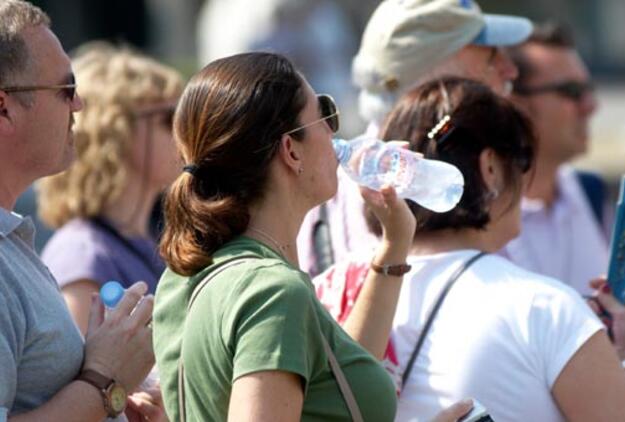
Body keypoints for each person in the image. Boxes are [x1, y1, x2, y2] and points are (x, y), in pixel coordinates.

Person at [152, 52, 472, 421]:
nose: (335, 131)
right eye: (324, 113)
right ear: (291, 149)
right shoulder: (272, 291)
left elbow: (335, 382)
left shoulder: (186, 277)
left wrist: (395, 243)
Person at [314, 77, 625, 421]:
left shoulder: (331, 291)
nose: (525, 178)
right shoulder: (542, 308)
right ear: (491, 168)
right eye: (523, 159)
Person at [0, 1, 158, 421]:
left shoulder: (12, 244)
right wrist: (106, 382)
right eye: (66, 89)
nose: (80, 106)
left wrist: (117, 405)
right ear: (4, 107)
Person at [297, 0, 533, 276]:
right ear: (434, 80)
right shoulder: (448, 178)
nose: (511, 70)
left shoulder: (323, 192)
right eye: (491, 57)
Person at [36, 42, 183, 334]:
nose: (185, 130)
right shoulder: (82, 254)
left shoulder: (152, 239)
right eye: (169, 118)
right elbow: (84, 374)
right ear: (114, 132)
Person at [503, 22, 608, 294]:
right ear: (515, 102)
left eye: (589, 89)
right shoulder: (472, 215)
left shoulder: (591, 191)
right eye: (572, 92)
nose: (590, 106)